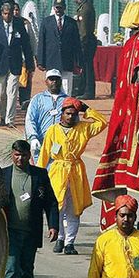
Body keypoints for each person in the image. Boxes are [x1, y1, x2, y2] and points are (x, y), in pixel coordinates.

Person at [39, 98, 108, 254]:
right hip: (58, 172)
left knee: (74, 209)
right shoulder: (53, 130)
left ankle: (70, 243)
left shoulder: (84, 128)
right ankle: (60, 239)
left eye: (74, 114)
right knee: (58, 207)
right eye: (68, 113)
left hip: (76, 173)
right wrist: (39, 177)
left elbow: (103, 123)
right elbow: (44, 154)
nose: (71, 117)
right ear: (62, 114)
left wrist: (87, 109)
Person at [2, 139, 58, 278]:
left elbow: (51, 202)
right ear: (12, 154)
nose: (20, 159)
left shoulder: (40, 175)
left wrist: (53, 225)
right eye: (17, 155)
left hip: (31, 233)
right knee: (11, 270)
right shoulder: (4, 176)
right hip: (10, 233)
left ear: (29, 156)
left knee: (26, 272)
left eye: (24, 155)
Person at [0, 0, 36, 126]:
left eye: (10, 14)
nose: (8, 16)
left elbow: (26, 45)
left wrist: (29, 63)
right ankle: (2, 115)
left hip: (15, 63)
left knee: (12, 91)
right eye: (6, 14)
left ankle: (9, 120)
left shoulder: (19, 24)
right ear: (2, 13)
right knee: (0, 93)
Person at [36, 0, 81, 95]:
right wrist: (40, 61)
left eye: (60, 7)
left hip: (67, 62)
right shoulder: (46, 22)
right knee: (52, 89)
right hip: (51, 61)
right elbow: (41, 42)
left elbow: (76, 44)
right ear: (53, 8)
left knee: (66, 89)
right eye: (57, 7)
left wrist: (79, 62)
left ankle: (65, 109)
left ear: (64, 8)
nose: (58, 10)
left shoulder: (72, 23)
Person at [25, 68, 68, 161]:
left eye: (57, 79)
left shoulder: (67, 100)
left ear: (61, 81)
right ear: (46, 82)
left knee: (57, 173)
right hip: (41, 143)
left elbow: (74, 122)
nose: (54, 82)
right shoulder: (38, 99)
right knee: (40, 172)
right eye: (51, 79)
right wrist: (33, 137)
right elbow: (30, 119)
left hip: (60, 144)